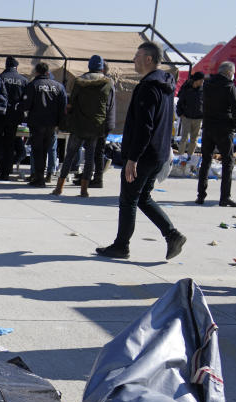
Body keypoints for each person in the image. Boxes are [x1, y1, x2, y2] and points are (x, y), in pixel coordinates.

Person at [96, 42, 186, 261]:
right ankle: (172, 235)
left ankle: (121, 246)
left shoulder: (148, 86)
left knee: (128, 200)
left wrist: (132, 158)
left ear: (148, 59)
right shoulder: (165, 83)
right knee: (142, 197)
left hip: (144, 155)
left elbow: (145, 127)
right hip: (158, 153)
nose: (133, 60)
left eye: (137, 56)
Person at [52, 54, 112, 197]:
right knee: (90, 157)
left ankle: (59, 187)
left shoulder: (79, 81)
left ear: (89, 66)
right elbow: (108, 104)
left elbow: (72, 102)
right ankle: (84, 190)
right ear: (101, 67)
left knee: (70, 155)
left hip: (79, 123)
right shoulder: (108, 82)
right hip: (96, 124)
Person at [197, 61, 236, 207]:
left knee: (206, 160)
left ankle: (201, 194)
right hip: (223, 128)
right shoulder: (229, 87)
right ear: (229, 73)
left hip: (208, 126)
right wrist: (234, 125)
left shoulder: (208, 84)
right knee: (227, 162)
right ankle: (225, 196)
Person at [21, 62, 66, 187]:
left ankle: (39, 177)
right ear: (47, 72)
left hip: (36, 123)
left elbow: (25, 105)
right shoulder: (58, 86)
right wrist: (60, 123)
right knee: (46, 149)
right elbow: (63, 107)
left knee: (37, 150)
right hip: (51, 124)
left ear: (36, 72)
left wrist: (26, 117)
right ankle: (43, 176)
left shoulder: (33, 85)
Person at [0, 56, 28, 181]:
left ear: (6, 66)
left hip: (0, 115)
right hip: (15, 117)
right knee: (10, 144)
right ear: (16, 67)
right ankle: (6, 171)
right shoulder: (23, 80)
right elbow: (26, 100)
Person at [90, 61, 116, 189]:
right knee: (96, 150)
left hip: (102, 122)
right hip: (106, 121)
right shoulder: (109, 82)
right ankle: (94, 176)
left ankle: (97, 178)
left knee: (97, 151)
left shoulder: (106, 83)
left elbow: (103, 105)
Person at [177, 71, 205, 159]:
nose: (202, 82)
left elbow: (206, 103)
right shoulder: (187, 88)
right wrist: (180, 113)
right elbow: (180, 102)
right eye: (201, 80)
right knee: (184, 138)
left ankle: (190, 157)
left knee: (194, 138)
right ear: (196, 80)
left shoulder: (203, 90)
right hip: (187, 117)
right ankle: (180, 156)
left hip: (198, 118)